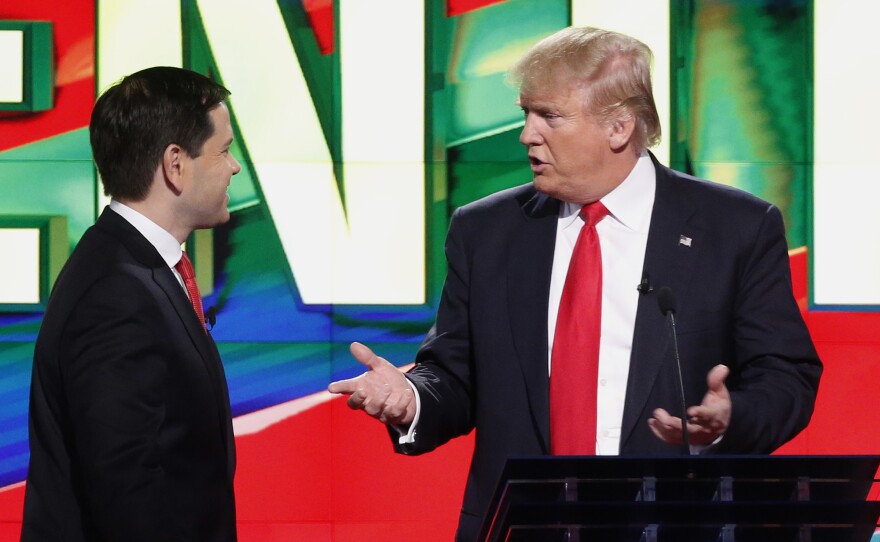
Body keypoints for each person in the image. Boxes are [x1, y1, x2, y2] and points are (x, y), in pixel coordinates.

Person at [328, 26, 822, 541]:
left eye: (549, 116)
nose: (526, 134)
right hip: (522, 529)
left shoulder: (734, 227)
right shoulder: (487, 232)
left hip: (679, 524)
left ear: (619, 127)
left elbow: (786, 375)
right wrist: (412, 399)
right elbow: (454, 375)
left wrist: (730, 418)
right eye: (525, 113)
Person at [21, 66, 241, 541]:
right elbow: (125, 491)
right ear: (175, 164)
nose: (234, 166)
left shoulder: (136, 268)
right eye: (223, 151)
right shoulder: (115, 294)